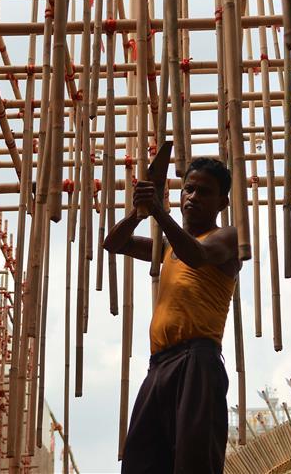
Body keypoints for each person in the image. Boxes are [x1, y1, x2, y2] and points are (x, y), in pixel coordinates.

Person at [103, 157, 240, 474]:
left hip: (197, 361)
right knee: (142, 463)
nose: (192, 197)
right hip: (160, 365)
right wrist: (140, 213)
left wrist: (159, 212)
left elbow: (197, 255)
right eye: (188, 189)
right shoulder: (166, 246)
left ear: (222, 202)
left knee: (193, 463)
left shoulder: (227, 238)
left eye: (203, 192)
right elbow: (114, 243)